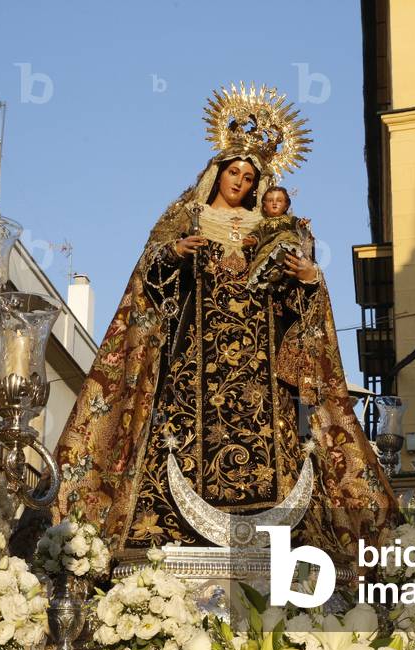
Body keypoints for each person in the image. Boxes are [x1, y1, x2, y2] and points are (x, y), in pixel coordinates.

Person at [53, 84, 397, 558]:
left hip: (262, 368)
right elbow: (148, 282)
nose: (239, 182)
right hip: (194, 361)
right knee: (181, 438)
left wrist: (309, 277)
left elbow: (298, 305)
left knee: (277, 439)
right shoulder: (186, 217)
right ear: (217, 172)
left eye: (249, 177)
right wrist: (173, 254)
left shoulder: (274, 229)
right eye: (233, 171)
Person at [244, 186, 314, 290]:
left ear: (286, 206)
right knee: (266, 261)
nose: (274, 203)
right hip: (268, 248)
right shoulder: (262, 224)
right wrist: (253, 240)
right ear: (264, 207)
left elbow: (297, 225)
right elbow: (257, 234)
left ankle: (283, 267)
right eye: (270, 200)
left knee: (287, 243)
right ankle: (274, 272)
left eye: (279, 200)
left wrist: (302, 224)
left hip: (286, 244)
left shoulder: (289, 220)